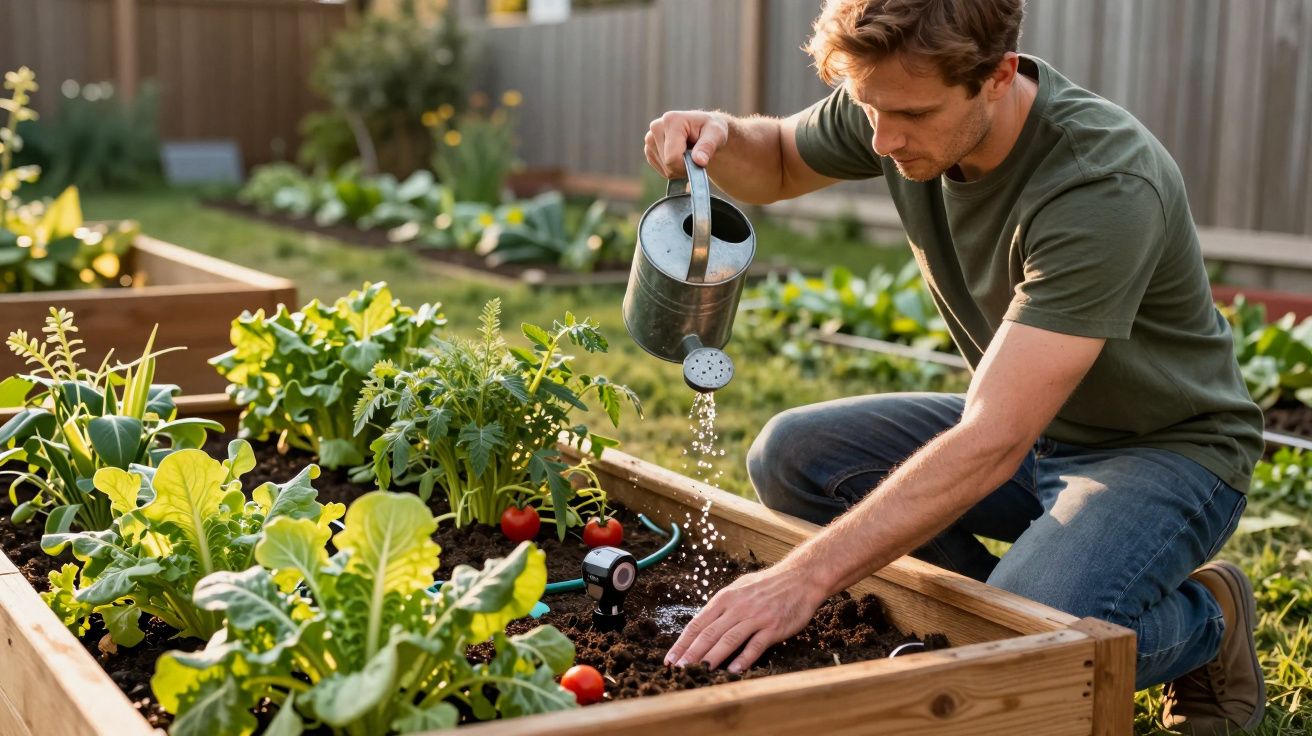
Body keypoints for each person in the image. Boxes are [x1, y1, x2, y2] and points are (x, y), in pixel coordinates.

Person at [642, 1, 1266, 733]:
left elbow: (992, 439)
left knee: (1015, 645)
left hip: (1164, 448)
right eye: (868, 107)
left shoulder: (1101, 183)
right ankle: (993, 614)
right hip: (1031, 431)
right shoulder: (894, 96)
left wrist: (803, 577)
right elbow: (779, 156)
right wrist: (715, 133)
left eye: (909, 114)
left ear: (998, 76)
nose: (881, 137)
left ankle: (1205, 625)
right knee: (792, 457)